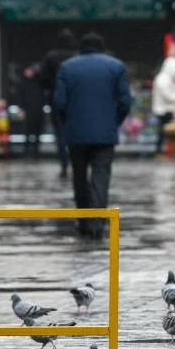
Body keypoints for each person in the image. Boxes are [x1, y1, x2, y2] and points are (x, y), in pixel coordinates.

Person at [53, 32, 134, 240]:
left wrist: (67, 123)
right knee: (101, 176)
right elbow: (125, 101)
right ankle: (97, 223)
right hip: (105, 134)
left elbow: (59, 102)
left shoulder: (67, 67)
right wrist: (113, 121)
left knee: (79, 177)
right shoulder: (116, 66)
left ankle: (83, 220)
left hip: (76, 133)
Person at [40, 29, 78, 177]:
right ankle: (76, 162)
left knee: (60, 133)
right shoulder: (77, 57)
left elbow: (42, 79)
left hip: (55, 99)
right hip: (75, 100)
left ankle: (64, 163)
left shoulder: (51, 57)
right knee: (75, 133)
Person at [151, 54, 175, 157]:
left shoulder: (169, 79)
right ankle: (159, 151)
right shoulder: (162, 79)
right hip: (163, 110)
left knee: (165, 132)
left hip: (169, 109)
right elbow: (167, 95)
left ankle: (166, 151)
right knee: (163, 132)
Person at [18, 63, 46, 158]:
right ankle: (27, 150)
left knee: (37, 131)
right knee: (27, 131)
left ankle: (36, 150)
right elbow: (20, 96)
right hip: (28, 110)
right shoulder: (23, 83)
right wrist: (21, 108)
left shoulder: (39, 81)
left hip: (38, 109)